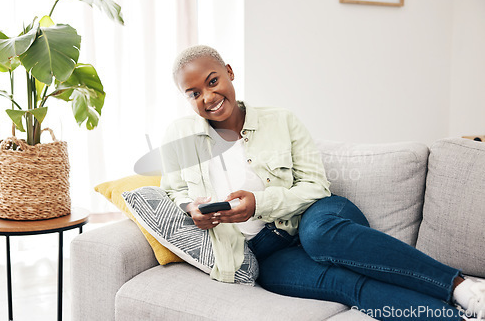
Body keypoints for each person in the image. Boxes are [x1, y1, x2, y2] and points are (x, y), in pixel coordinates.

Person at [159, 45, 485, 321]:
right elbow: (174, 190)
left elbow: (315, 186)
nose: (209, 96)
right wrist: (192, 208)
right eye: (194, 93)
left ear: (229, 72)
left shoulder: (280, 120)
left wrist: (260, 203)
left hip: (318, 216)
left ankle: (463, 287)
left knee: (317, 236)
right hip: (266, 253)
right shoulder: (179, 136)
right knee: (347, 285)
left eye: (213, 81)